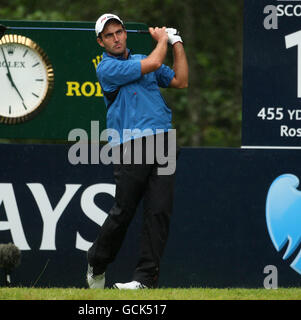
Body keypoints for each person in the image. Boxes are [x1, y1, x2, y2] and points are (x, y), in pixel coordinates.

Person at [86, 13, 188, 289]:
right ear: (101, 42)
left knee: (159, 212)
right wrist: (163, 39)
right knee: (124, 210)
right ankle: (97, 261)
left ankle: (144, 279)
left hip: (163, 140)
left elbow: (180, 80)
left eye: (119, 32)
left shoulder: (142, 57)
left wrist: (176, 43)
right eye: (109, 35)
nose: (116, 38)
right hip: (130, 144)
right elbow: (155, 61)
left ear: (125, 33)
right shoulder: (106, 69)